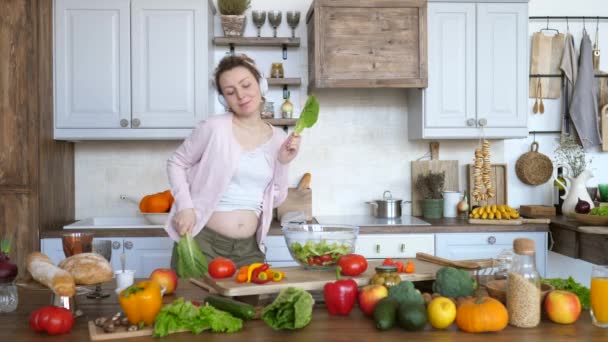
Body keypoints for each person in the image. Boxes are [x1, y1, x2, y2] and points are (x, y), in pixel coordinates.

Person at [165, 54, 301, 268]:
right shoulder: (214, 128)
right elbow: (176, 163)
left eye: (246, 85)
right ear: (223, 99)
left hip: (249, 249)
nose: (241, 95)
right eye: (230, 92)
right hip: (203, 242)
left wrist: (283, 163)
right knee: (193, 302)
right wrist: (184, 206)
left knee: (252, 303)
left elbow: (276, 199)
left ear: (261, 84)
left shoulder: (279, 139)